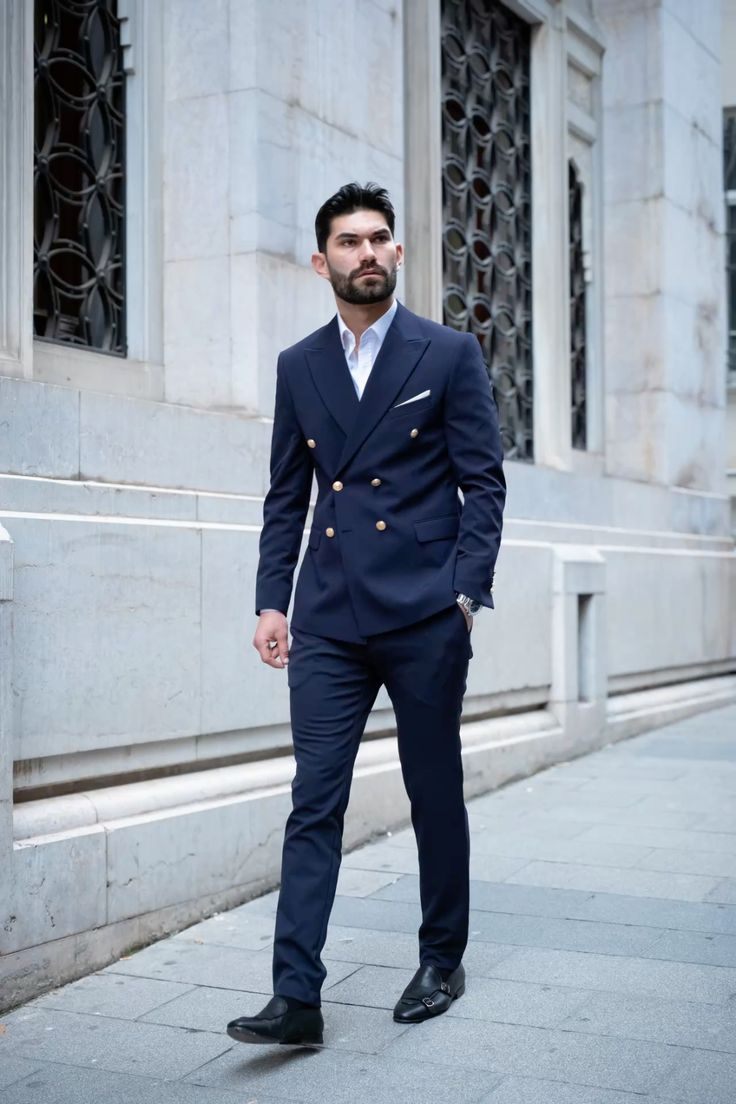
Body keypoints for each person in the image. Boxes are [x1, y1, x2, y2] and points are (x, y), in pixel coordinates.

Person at [227, 182, 506, 1047]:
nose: (368, 253)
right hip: (330, 619)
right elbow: (286, 496)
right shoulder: (299, 365)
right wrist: (273, 599)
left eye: (381, 238)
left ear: (399, 252)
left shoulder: (446, 352)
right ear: (323, 262)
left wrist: (465, 592)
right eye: (349, 242)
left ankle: (441, 957)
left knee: (432, 793)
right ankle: (296, 996)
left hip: (424, 614)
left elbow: (483, 482)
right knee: (315, 798)